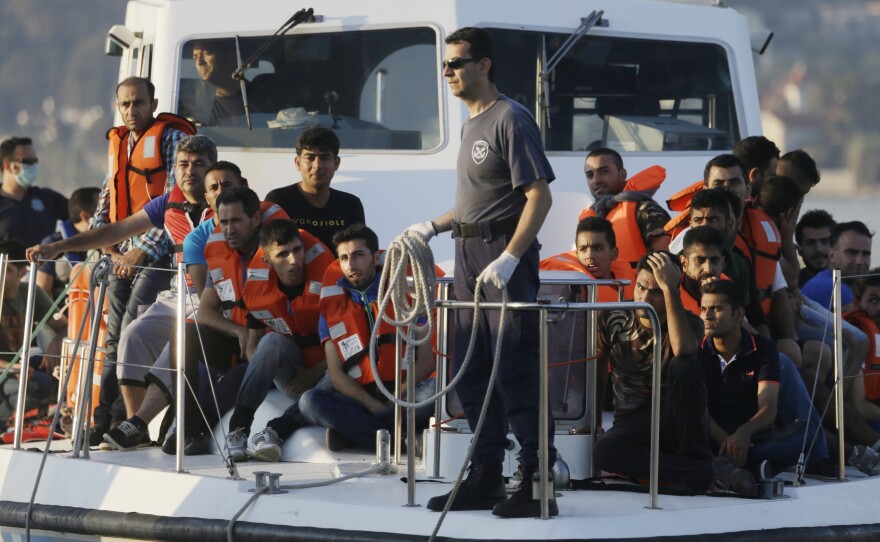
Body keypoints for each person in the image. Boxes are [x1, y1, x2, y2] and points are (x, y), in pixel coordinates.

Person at [407, 27, 557, 518]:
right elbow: (475, 203)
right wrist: (432, 225)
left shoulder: (510, 118)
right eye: (445, 66)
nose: (448, 73)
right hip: (469, 252)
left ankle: (537, 482)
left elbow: (538, 195)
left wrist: (512, 256)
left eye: (457, 63)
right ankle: (486, 473)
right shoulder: (473, 125)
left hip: (501, 253)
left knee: (514, 365)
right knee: (470, 371)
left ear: (484, 65)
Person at [25, 136, 218, 433]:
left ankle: (139, 422)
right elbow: (115, 231)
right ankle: (133, 426)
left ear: (212, 168)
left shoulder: (227, 204)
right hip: (180, 293)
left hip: (216, 295)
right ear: (175, 170)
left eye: (199, 164)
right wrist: (58, 248)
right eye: (183, 164)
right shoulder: (167, 204)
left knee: (182, 340)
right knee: (132, 335)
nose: (189, 171)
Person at [592, 251, 756, 497]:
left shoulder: (690, 322)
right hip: (633, 421)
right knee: (603, 452)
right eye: (640, 288)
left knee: (685, 365)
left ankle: (693, 462)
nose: (645, 298)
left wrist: (670, 288)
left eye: (656, 292)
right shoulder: (613, 317)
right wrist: (594, 421)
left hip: (676, 419)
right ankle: (703, 471)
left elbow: (683, 349)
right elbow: (598, 366)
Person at [89, 76, 196, 443]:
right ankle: (103, 418)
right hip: (120, 254)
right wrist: (109, 247)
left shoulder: (170, 139)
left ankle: (127, 419)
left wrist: (139, 252)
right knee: (112, 337)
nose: (131, 111)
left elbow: (172, 199)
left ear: (153, 103)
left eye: (138, 103)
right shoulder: (119, 143)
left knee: (134, 326)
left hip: (158, 256)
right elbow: (108, 194)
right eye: (125, 105)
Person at [298, 224, 436, 453]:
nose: (350, 265)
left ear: (374, 257)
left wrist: (395, 398)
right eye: (343, 258)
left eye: (358, 255)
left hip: (407, 394)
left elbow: (426, 361)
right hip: (361, 399)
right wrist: (372, 405)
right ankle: (400, 441)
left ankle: (356, 435)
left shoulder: (407, 292)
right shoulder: (331, 309)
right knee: (309, 402)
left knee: (438, 390)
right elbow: (336, 375)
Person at [699, 280, 834, 480]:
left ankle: (744, 466)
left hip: (753, 440)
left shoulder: (762, 349)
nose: (707, 316)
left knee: (808, 431)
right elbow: (699, 411)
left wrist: (744, 432)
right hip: (714, 440)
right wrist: (729, 442)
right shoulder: (697, 352)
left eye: (716, 309)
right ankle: (753, 466)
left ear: (738, 314)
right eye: (703, 309)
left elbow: (768, 407)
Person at [224, 219, 335, 462]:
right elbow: (253, 346)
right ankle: (238, 430)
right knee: (271, 341)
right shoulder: (259, 290)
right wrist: (268, 373)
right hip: (292, 375)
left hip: (329, 376)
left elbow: (348, 345)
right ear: (267, 260)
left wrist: (312, 374)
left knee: (341, 376)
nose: (294, 260)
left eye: (297, 250)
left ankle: (275, 431)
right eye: (283, 254)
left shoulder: (330, 284)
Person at [265, 127, 365, 255]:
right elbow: (271, 252)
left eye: (325, 158)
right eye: (310, 157)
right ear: (297, 163)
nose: (317, 166)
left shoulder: (351, 204)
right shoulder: (278, 201)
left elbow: (359, 254)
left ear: (337, 163)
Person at [0, 240, 65, 428]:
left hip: (21, 366)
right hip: (8, 369)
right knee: (39, 384)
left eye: (7, 270)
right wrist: (14, 368)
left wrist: (54, 347)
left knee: (59, 375)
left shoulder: (30, 293)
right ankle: (7, 425)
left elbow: (64, 327)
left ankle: (41, 418)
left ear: (22, 273)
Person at [578, 148, 670, 267]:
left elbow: (668, 263)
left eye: (604, 171)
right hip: (603, 285)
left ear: (622, 174)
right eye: (590, 175)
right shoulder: (592, 217)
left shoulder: (645, 210)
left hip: (639, 284)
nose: (596, 180)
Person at [539, 216, 635, 301]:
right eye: (583, 249)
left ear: (614, 253)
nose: (589, 256)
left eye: (598, 248)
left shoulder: (634, 285)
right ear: (577, 254)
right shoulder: (570, 290)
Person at [178, 39, 269, 127]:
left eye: (206, 54)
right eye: (195, 57)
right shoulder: (191, 102)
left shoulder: (264, 97)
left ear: (231, 58)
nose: (199, 62)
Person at [0, 137, 69, 248]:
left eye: (35, 161)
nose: (33, 166)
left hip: (42, 265)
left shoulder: (48, 198)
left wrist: (58, 242)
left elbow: (81, 217)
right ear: (8, 166)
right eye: (28, 161)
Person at [36, 187, 100, 300]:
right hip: (63, 313)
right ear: (85, 216)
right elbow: (42, 294)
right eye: (102, 210)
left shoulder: (110, 244)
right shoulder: (51, 244)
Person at [802, 221, 872, 310]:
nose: (860, 261)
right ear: (832, 255)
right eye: (851, 253)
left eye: (866, 254)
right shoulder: (833, 287)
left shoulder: (825, 280)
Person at [796, 210, 835, 288]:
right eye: (810, 243)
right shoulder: (789, 286)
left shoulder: (854, 284)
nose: (819, 249)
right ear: (799, 250)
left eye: (825, 242)